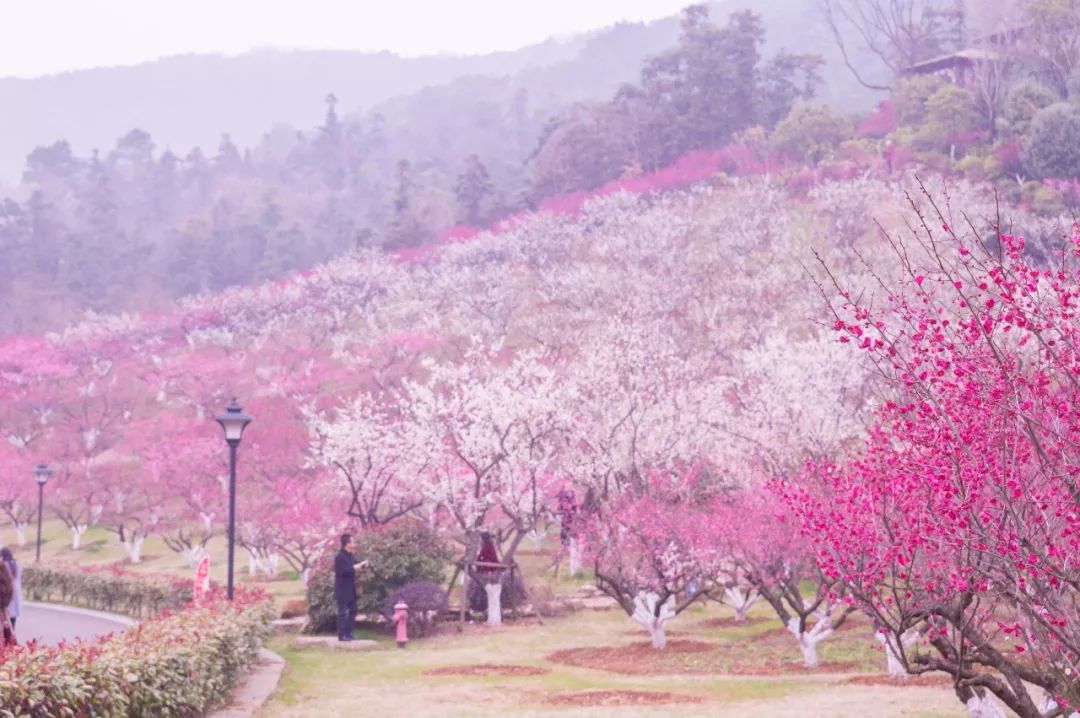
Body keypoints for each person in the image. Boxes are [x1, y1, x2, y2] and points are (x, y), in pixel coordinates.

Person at [334, 533, 367, 642]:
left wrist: (363, 564)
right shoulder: (339, 556)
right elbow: (342, 571)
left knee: (353, 611)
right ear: (347, 544)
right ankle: (341, 635)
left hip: (351, 589)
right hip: (342, 589)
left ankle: (348, 633)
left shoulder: (350, 555)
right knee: (342, 613)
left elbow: (356, 564)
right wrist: (355, 567)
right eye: (352, 541)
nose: (354, 543)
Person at [1, 548, 21, 630]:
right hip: (15, 591)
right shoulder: (17, 564)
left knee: (5, 617)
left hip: (6, 592)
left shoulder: (3, 566)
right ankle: (11, 633)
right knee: (12, 618)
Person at [0, 557, 14, 647]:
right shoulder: (5, 568)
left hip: (2, 603)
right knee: (6, 623)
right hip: (4, 603)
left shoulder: (3, 569)